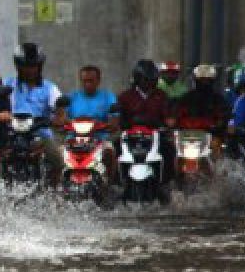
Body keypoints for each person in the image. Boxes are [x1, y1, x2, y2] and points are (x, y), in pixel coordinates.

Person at [3, 42, 62, 180]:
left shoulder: (50, 88)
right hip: (11, 135)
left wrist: (58, 118)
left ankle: (54, 193)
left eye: (33, 66)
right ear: (18, 66)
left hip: (40, 134)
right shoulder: (7, 84)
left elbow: (60, 109)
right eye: (25, 66)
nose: (30, 70)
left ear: (39, 66)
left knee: (57, 160)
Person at [116, 59, 176, 190]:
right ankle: (117, 185)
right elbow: (118, 116)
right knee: (115, 149)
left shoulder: (161, 96)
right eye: (146, 79)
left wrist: (169, 123)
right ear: (137, 79)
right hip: (130, 136)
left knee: (169, 150)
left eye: (152, 79)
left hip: (156, 135)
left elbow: (168, 117)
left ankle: (166, 185)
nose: (149, 82)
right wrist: (121, 123)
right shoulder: (125, 96)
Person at [56, 64, 118, 176]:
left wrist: (109, 125)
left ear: (98, 81)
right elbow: (61, 119)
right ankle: (55, 187)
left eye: (91, 81)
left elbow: (114, 121)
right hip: (73, 140)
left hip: (99, 139)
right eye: (84, 81)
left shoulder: (108, 97)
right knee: (57, 155)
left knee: (110, 152)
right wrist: (62, 122)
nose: (87, 84)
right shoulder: (72, 97)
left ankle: (108, 185)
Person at [171, 64, 229, 132]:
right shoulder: (187, 97)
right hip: (187, 133)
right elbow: (177, 113)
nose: (204, 83)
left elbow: (224, 114)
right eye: (202, 80)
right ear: (196, 80)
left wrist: (222, 123)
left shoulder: (218, 99)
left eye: (207, 80)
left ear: (212, 81)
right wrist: (173, 121)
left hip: (211, 134)